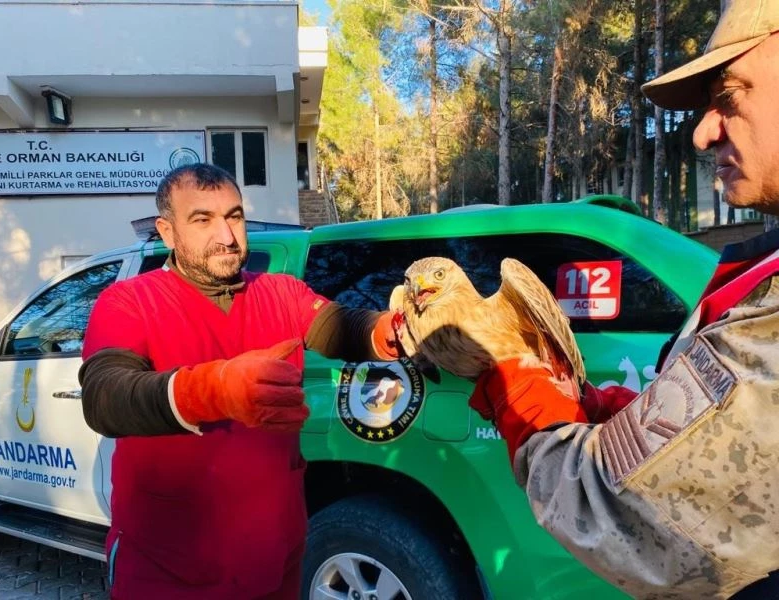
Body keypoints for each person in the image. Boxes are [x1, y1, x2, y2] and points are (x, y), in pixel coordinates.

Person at [467, 1, 779, 598]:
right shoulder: (759, 263)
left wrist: (522, 389)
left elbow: (634, 517)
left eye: (730, 94)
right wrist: (613, 412)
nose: (702, 130)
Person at [78, 163, 400, 599]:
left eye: (234, 216)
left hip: (275, 561)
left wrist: (396, 329)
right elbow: (104, 395)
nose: (227, 236)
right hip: (166, 570)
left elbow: (342, 326)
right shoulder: (128, 302)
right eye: (202, 219)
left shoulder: (281, 293)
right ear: (167, 231)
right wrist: (214, 391)